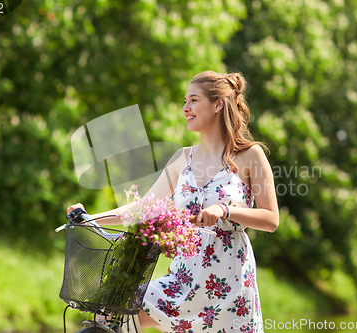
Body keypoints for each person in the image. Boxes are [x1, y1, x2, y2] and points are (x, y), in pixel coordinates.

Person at [67, 70, 279, 332]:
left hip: (230, 283)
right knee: (113, 314)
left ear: (217, 104)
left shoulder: (250, 156)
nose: (185, 108)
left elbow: (271, 219)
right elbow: (143, 208)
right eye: (184, 101)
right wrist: (89, 218)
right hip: (183, 277)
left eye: (193, 100)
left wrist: (225, 210)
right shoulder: (182, 159)